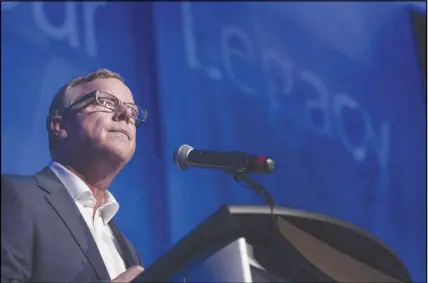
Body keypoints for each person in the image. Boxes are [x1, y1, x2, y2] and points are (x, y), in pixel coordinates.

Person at [1, 69, 148, 282]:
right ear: (60, 126)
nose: (126, 114)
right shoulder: (13, 197)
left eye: (133, 112)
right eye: (106, 101)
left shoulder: (130, 252)